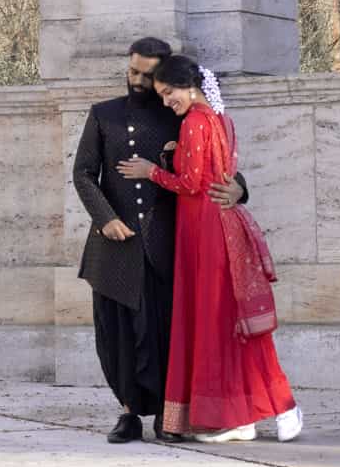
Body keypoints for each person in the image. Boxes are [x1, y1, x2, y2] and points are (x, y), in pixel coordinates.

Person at [118, 53, 301, 443]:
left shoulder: (196, 123)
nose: (168, 102)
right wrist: (174, 152)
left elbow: (192, 183)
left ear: (190, 85)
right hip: (214, 227)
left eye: (170, 93)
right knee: (224, 325)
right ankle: (241, 417)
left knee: (214, 323)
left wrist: (151, 170)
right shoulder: (220, 120)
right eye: (163, 96)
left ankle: (255, 412)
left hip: (205, 231)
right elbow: (212, 173)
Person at [72, 38, 247, 444]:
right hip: (114, 246)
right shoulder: (104, 115)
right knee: (115, 335)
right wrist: (106, 218)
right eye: (132, 71)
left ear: (164, 78)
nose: (136, 80)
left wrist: (239, 188)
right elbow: (83, 173)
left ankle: (169, 416)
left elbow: (218, 165)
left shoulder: (181, 116)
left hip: (169, 244)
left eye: (146, 76)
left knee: (166, 333)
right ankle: (129, 413)